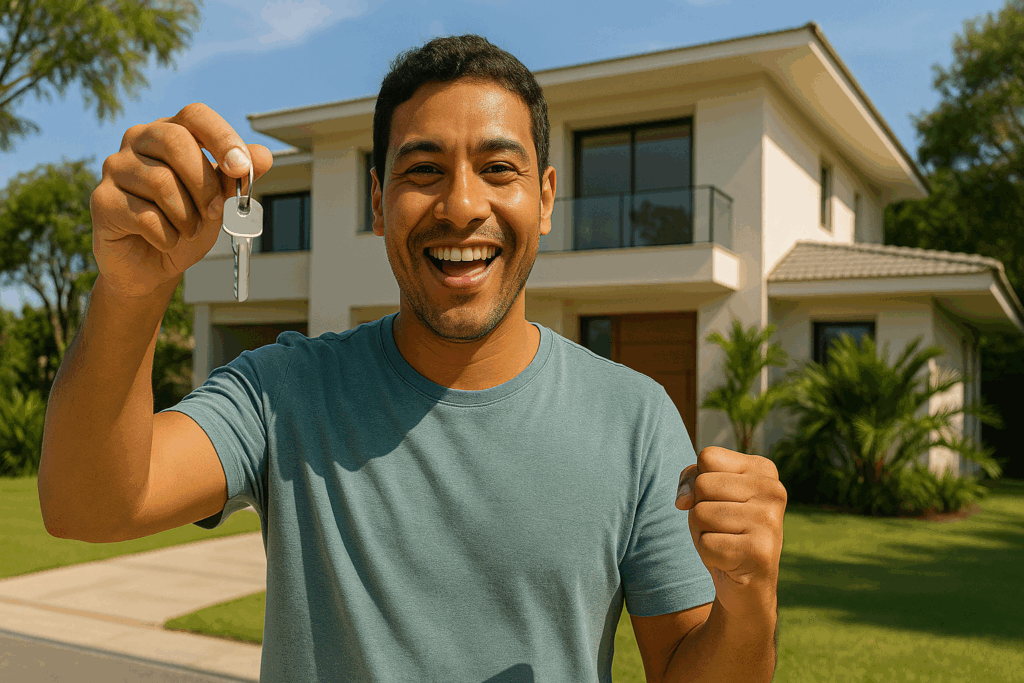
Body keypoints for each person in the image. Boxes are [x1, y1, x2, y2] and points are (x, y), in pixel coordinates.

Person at [39, 35, 786, 683]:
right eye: (423, 169)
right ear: (378, 201)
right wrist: (134, 290)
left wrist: (749, 600)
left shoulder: (635, 417)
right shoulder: (284, 391)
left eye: (499, 167)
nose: (462, 205)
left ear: (547, 197)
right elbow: (88, 502)